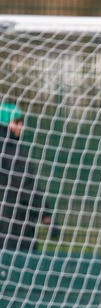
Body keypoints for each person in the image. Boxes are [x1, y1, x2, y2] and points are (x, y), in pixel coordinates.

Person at [0, 103, 57, 251]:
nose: (21, 127)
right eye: (17, 123)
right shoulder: (12, 149)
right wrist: (45, 214)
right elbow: (26, 185)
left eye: (22, 123)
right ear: (6, 123)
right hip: (13, 224)